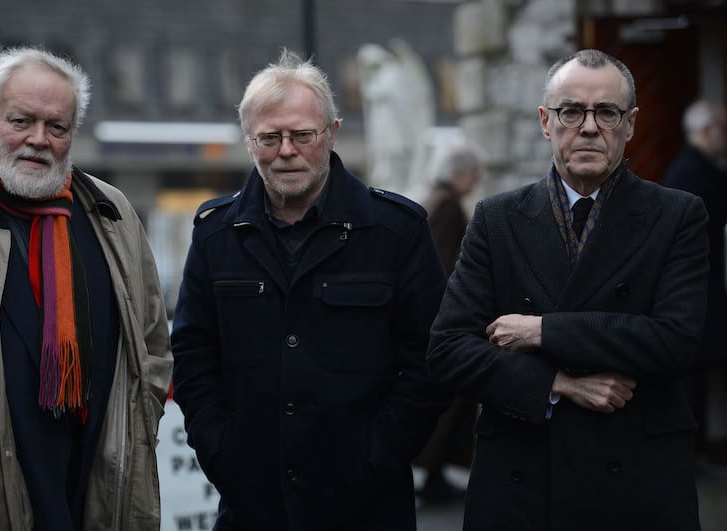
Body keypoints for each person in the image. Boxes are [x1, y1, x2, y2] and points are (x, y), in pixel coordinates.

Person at [427, 49, 708, 530]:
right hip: (522, 481)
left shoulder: (677, 216)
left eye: (607, 112)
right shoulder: (496, 219)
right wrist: (558, 384)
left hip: (638, 483)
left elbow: (673, 342)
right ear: (545, 121)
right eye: (571, 111)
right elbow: (449, 349)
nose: (589, 126)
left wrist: (542, 331)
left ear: (631, 124)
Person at [171, 49, 448, 531]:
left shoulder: (395, 231)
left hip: (369, 505)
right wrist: (221, 451)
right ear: (249, 140)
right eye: (269, 137)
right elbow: (194, 354)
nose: (286, 150)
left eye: (302, 135)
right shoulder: (215, 235)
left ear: (333, 133)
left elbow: (431, 357)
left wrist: (377, 454)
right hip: (251, 504)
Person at [0, 47, 172, 530]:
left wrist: (133, 426)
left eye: (56, 127)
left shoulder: (110, 210)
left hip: (93, 491)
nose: (38, 140)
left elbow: (151, 343)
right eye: (21, 121)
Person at [413, 139, 481, 503]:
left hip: (442, 320)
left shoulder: (438, 201)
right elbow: (444, 264)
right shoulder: (448, 206)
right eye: (473, 173)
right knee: (449, 403)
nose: (477, 179)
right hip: (447, 321)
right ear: (459, 174)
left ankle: (434, 475)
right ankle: (428, 475)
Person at [662, 98, 727, 462]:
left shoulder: (703, 171)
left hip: (710, 291)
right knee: (691, 375)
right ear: (707, 132)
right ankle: (686, 452)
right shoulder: (690, 174)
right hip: (701, 293)